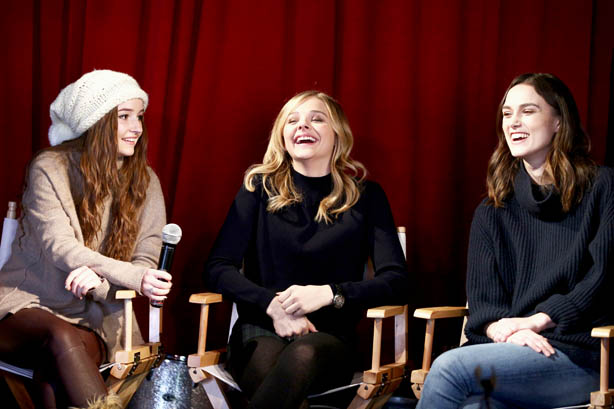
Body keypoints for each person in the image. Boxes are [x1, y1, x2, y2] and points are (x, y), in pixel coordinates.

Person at [416, 73, 614, 409]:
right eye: (507, 114)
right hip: (511, 350)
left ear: (558, 121)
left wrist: (536, 321)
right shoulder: (493, 210)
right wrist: (506, 332)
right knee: (474, 406)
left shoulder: (602, 187)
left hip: (581, 355)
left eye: (528, 111)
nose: (513, 122)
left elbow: (603, 279)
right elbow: (484, 305)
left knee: (449, 368)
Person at [204, 90, 409, 409]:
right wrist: (271, 305)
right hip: (260, 329)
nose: (303, 126)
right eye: (293, 120)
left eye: (317, 119)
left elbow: (396, 280)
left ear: (338, 133)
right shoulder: (258, 190)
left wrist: (331, 293)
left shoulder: (366, 197)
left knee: (304, 354)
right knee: (269, 364)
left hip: (330, 340)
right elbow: (217, 268)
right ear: (282, 135)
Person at [0, 69, 172, 409]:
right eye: (123, 116)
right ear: (96, 121)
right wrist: (134, 278)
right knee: (60, 338)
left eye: (138, 116)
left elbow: (146, 259)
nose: (136, 127)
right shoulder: (49, 166)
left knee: (57, 368)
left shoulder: (146, 182)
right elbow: (60, 247)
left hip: (96, 318)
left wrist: (100, 283)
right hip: (24, 305)